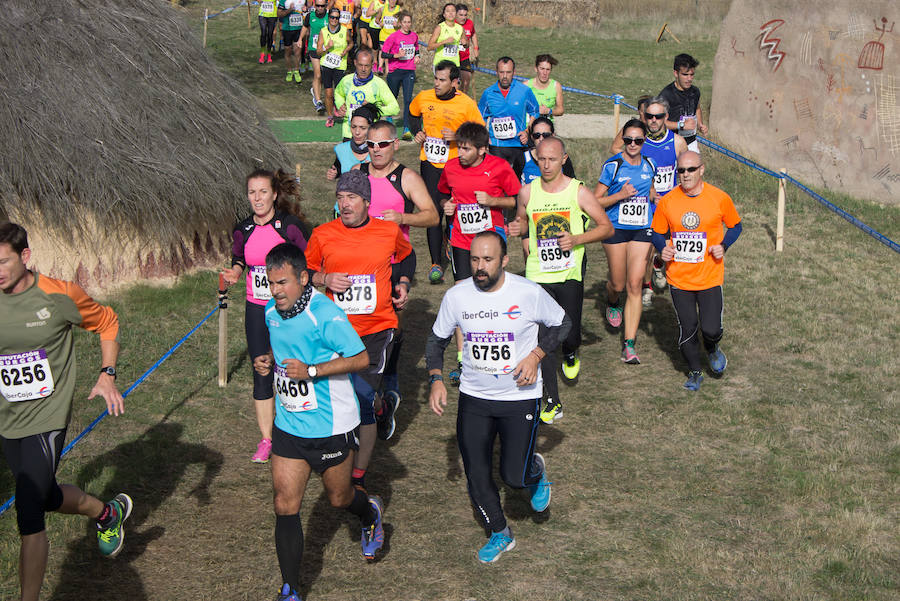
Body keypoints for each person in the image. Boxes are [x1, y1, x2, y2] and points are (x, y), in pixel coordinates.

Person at [0, 222, 132, 601]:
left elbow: (106, 321)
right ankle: (106, 514)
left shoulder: (58, 295)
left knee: (28, 511)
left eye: (3, 262)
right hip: (8, 416)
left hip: (47, 415)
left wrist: (107, 375)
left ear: (25, 257)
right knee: (42, 495)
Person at [426, 230, 570, 564]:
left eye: (488, 260)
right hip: (474, 397)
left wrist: (535, 356)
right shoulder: (457, 296)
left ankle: (534, 470)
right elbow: (436, 341)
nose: (480, 267)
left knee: (514, 476)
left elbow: (563, 324)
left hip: (519, 397)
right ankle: (499, 532)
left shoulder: (528, 292)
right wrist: (436, 378)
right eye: (475, 259)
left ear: (504, 261)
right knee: (476, 471)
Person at [254, 243, 384, 601]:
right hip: (290, 426)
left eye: (282, 282)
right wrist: (268, 360)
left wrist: (312, 371)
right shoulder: (271, 312)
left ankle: (368, 512)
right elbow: (283, 352)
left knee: (339, 498)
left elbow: (360, 359)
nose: (275, 290)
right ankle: (291, 589)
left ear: (303, 278)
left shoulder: (324, 314)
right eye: (270, 282)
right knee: (284, 503)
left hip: (331, 426)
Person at [305, 170, 414, 491]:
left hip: (377, 329)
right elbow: (306, 271)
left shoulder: (387, 231)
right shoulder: (323, 234)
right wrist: (324, 279)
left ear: (367, 201)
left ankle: (359, 475)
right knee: (341, 395)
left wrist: (403, 283)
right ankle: (381, 407)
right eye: (340, 198)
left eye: (351, 198)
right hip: (335, 332)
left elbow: (407, 257)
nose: (345, 204)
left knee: (360, 396)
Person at [508, 136, 613, 423]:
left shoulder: (578, 192)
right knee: (542, 337)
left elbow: (606, 228)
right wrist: (523, 237)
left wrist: (577, 238)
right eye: (541, 159)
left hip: (568, 274)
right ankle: (551, 400)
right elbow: (522, 221)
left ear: (564, 159)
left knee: (570, 333)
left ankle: (571, 351)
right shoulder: (527, 192)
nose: (546, 164)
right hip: (538, 274)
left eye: (552, 159)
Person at [353, 120, 439, 433]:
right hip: (357, 269)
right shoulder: (357, 174)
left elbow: (432, 215)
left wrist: (402, 217)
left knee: (386, 333)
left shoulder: (405, 177)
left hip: (391, 265)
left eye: (382, 144)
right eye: (370, 145)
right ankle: (371, 396)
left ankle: (387, 393)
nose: (375, 150)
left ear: (395, 145)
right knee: (358, 332)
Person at [222, 169, 311, 463]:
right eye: (252, 193)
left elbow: (308, 260)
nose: (257, 198)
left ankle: (301, 429)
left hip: (289, 308)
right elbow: (239, 257)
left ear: (274, 194)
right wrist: (235, 272)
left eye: (262, 192)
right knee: (261, 369)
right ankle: (266, 439)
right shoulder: (242, 228)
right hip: (256, 308)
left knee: (291, 367)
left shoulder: (290, 226)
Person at [650, 152, 741, 391]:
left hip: (710, 276)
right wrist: (663, 249)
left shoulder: (719, 198)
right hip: (679, 278)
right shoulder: (668, 201)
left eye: (691, 169)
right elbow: (657, 232)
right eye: (681, 170)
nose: (685, 175)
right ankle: (694, 371)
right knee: (688, 327)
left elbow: (735, 225)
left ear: (702, 169)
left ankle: (712, 347)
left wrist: (723, 246)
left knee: (711, 328)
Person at [438, 121, 519, 382]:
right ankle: (464, 361)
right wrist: (446, 206)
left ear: (482, 150)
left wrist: (494, 201)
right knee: (463, 297)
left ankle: (496, 350)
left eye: (465, 149)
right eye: (459, 148)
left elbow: (516, 199)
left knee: (492, 295)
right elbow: (442, 194)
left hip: (492, 240)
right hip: (461, 241)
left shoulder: (499, 167)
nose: (460, 153)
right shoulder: (450, 168)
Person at [408, 60, 485, 284]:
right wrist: (417, 132)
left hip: (456, 166)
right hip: (430, 163)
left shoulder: (466, 104)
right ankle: (435, 263)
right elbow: (412, 114)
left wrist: (458, 136)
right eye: (435, 78)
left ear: (454, 82)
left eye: (442, 80)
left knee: (454, 210)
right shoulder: (424, 97)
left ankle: (453, 243)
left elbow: (480, 132)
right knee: (432, 211)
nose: (437, 84)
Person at [594, 119, 658, 365]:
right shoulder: (613, 165)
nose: (632, 144)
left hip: (642, 228)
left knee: (635, 284)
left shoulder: (649, 164)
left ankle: (629, 345)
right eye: (628, 140)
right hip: (615, 229)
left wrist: (654, 196)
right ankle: (611, 300)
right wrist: (620, 195)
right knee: (619, 285)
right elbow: (594, 200)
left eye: (638, 141)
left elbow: (648, 189)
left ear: (644, 142)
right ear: (623, 141)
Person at [478, 56, 540, 176]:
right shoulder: (488, 93)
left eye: (508, 72)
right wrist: (483, 139)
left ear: (514, 72)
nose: (505, 76)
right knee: (498, 181)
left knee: (516, 183)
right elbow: (481, 118)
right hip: (497, 145)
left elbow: (535, 111)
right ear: (496, 72)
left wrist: (527, 131)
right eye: (501, 72)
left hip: (518, 144)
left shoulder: (524, 91)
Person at [334, 47, 400, 140]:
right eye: (360, 65)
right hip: (349, 134)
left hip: (370, 136)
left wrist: (374, 109)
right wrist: (340, 105)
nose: (363, 69)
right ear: (355, 63)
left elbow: (395, 108)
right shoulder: (346, 81)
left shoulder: (378, 84)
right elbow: (338, 93)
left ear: (372, 65)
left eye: (367, 65)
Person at [381, 11, 419, 140]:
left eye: (409, 22)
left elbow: (416, 47)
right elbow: (383, 54)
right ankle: (389, 120)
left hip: (409, 71)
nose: (407, 25)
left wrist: (417, 56)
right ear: (400, 23)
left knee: (408, 100)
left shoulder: (414, 36)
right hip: (395, 71)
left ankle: (406, 128)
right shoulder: (393, 37)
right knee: (393, 98)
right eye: (404, 22)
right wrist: (396, 55)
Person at [659, 53, 708, 152]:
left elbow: (697, 108)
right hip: (672, 143)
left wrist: (700, 124)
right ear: (676, 73)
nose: (689, 79)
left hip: (691, 142)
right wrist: (681, 125)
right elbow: (659, 122)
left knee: (695, 166)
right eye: (685, 75)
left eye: (692, 75)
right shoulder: (666, 95)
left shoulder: (695, 91)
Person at [317, 7, 353, 127]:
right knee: (328, 93)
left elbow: (351, 43)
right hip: (326, 65)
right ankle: (330, 116)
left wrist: (346, 50)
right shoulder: (323, 31)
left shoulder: (344, 30)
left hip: (340, 66)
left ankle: (341, 110)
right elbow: (318, 52)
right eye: (332, 17)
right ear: (329, 18)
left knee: (339, 93)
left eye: (337, 18)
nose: (334, 20)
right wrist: (326, 47)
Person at [513, 117, 575, 185]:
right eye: (537, 135)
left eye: (546, 135)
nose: (541, 139)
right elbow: (513, 189)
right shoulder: (522, 158)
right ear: (532, 137)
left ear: (553, 135)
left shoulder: (562, 158)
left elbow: (573, 185)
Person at [326, 102, 379, 182]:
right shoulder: (341, 149)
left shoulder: (379, 150)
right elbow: (339, 167)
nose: (357, 132)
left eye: (363, 128)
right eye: (353, 127)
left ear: (371, 128)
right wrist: (335, 173)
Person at [300, 0, 330, 113]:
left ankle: (315, 90)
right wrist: (300, 39)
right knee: (317, 74)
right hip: (313, 49)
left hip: (327, 50)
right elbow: (304, 27)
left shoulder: (330, 16)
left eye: (322, 6)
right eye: (318, 5)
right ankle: (318, 101)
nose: (320, 8)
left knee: (323, 74)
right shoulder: (310, 16)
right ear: (315, 5)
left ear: (326, 6)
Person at [524, 54, 564, 119]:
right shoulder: (526, 85)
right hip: (528, 126)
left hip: (547, 126)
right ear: (536, 69)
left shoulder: (556, 86)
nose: (545, 73)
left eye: (548, 69)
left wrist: (549, 111)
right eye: (542, 69)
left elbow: (561, 110)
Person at [427, 3, 465, 71]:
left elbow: (466, 45)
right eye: (448, 11)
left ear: (456, 13)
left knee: (455, 82)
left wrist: (466, 43)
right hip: (441, 64)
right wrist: (444, 42)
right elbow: (429, 47)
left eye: (453, 11)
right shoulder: (439, 28)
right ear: (444, 15)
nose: (450, 13)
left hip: (455, 64)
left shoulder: (460, 28)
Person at [277, 0, 306, 83]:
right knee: (288, 51)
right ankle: (289, 71)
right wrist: (289, 10)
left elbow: (307, 8)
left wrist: (305, 10)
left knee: (298, 51)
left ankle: (296, 71)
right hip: (287, 29)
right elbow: (279, 14)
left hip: (298, 28)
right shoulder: (284, 1)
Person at [455, 3, 478, 94]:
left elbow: (473, 34)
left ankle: (463, 100)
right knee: (456, 83)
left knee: (466, 81)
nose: (463, 18)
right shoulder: (452, 25)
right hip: (454, 58)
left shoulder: (469, 23)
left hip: (465, 57)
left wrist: (476, 48)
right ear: (455, 14)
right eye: (461, 15)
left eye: (465, 15)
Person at [376, 0, 404, 75]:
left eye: (394, 0)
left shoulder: (399, 9)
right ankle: (384, 69)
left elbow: (403, 23)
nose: (392, 1)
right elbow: (376, 20)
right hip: (383, 35)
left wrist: (397, 25)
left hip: (393, 36)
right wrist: (380, 23)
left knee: (390, 53)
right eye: (391, 0)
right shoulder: (382, 8)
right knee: (385, 52)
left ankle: (387, 69)